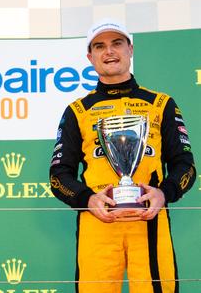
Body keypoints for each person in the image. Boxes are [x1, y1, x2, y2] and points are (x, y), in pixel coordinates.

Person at [49, 18, 196, 293]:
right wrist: (88, 199)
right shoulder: (78, 110)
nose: (109, 51)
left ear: (130, 49)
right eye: (100, 46)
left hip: (150, 220)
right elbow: (59, 175)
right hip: (98, 220)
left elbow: (185, 165)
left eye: (117, 43)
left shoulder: (161, 104)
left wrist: (163, 193)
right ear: (90, 57)